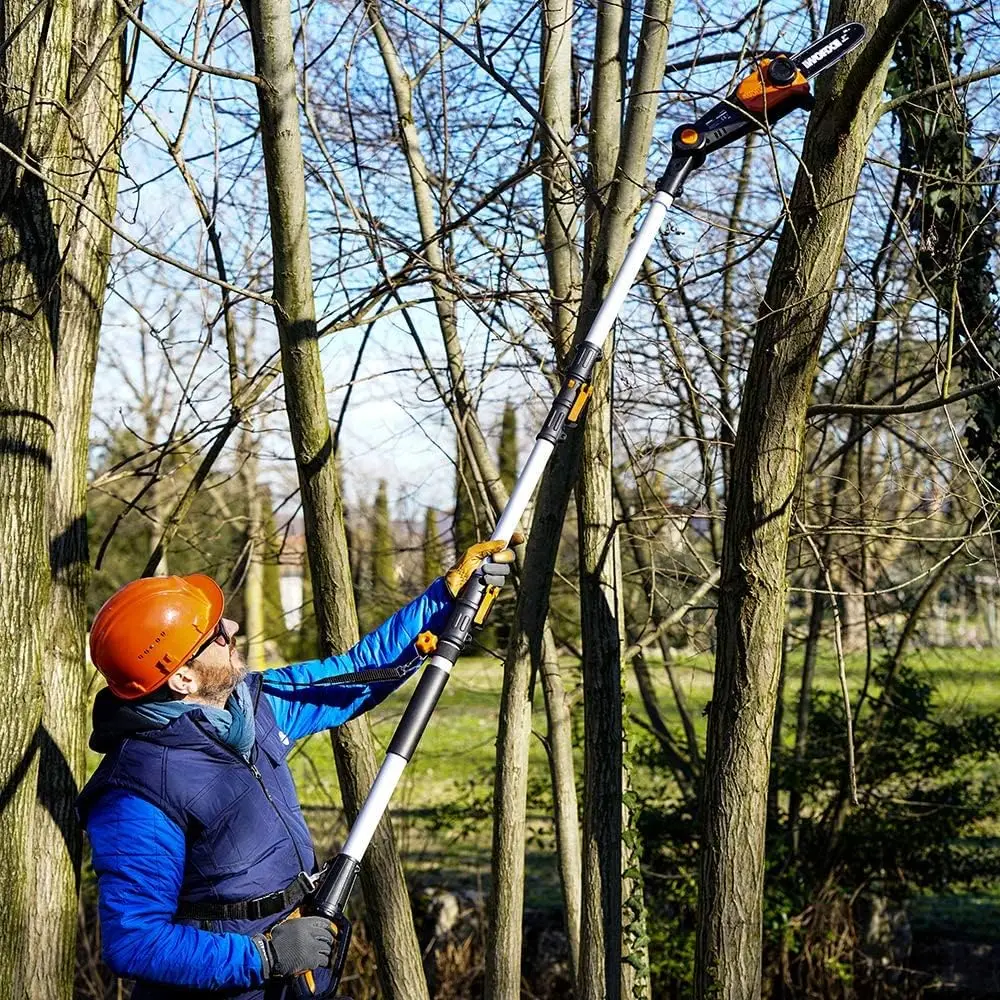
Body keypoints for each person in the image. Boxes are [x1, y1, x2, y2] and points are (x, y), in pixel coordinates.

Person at [78, 538, 518, 999]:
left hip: (300, 973)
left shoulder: (253, 706)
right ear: (182, 677)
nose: (232, 626)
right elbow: (136, 941)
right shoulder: (136, 792)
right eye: (214, 636)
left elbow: (359, 672)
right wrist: (264, 956)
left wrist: (447, 598)